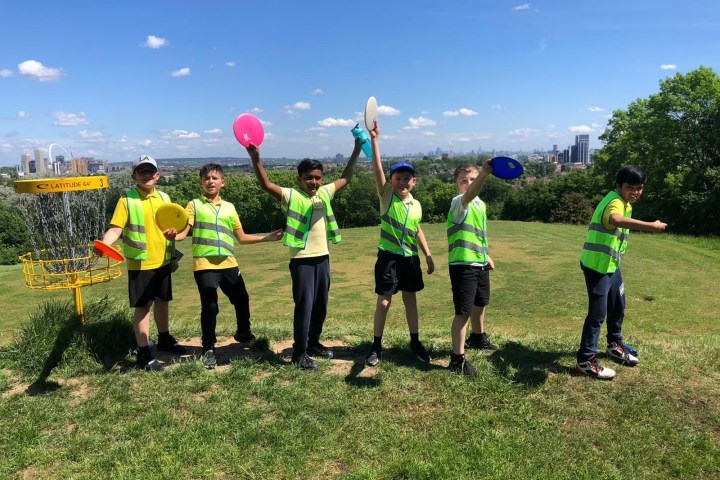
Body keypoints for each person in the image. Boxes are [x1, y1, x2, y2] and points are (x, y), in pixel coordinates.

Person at [247, 139, 360, 369]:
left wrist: (357, 148)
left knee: (321, 305)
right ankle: (299, 355)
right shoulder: (292, 197)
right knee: (305, 307)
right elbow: (266, 185)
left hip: (323, 257)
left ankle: (313, 343)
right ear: (299, 179)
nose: (314, 182)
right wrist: (256, 159)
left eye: (318, 177)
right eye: (309, 177)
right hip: (302, 261)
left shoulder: (325, 193)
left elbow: (346, 178)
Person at [175, 163, 283, 369]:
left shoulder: (230, 207)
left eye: (214, 178)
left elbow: (241, 238)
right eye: (206, 179)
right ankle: (208, 348)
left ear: (223, 183)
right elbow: (183, 232)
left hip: (229, 263)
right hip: (204, 264)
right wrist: (174, 236)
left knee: (242, 299)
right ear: (200, 183)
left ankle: (243, 333)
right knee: (210, 306)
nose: (210, 182)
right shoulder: (194, 205)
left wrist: (266, 239)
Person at [576, 165, 667, 379]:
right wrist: (650, 226)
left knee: (618, 304)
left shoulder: (625, 202)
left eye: (639, 188)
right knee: (598, 314)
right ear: (618, 186)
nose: (635, 192)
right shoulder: (615, 202)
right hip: (597, 266)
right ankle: (585, 361)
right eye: (630, 187)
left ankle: (614, 345)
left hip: (610, 265)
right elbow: (615, 219)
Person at [97, 155, 187, 371]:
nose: (147, 175)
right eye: (142, 171)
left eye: (150, 171)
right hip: (141, 264)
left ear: (157, 175)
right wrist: (104, 244)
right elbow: (116, 228)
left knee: (163, 301)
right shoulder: (126, 200)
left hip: (163, 261)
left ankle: (164, 340)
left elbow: (177, 227)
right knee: (143, 308)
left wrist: (174, 250)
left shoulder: (165, 198)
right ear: (134, 176)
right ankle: (144, 354)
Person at [364, 121, 435, 367]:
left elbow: (416, 229)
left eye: (407, 178)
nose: (402, 182)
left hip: (410, 259)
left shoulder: (416, 204)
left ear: (414, 181)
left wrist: (427, 254)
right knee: (384, 302)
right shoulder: (386, 197)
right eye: (398, 178)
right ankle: (376, 346)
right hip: (388, 258)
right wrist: (374, 140)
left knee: (411, 300)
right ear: (391, 181)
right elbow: (376, 170)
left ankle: (415, 342)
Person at [446, 162, 499, 376]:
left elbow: (478, 234)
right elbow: (469, 195)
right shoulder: (459, 202)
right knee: (463, 312)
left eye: (472, 179)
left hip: (479, 262)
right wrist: (483, 175)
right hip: (463, 265)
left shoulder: (481, 204)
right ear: (456, 185)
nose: (468, 184)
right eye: (463, 181)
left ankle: (477, 337)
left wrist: (486, 256)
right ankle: (457, 360)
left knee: (481, 302)